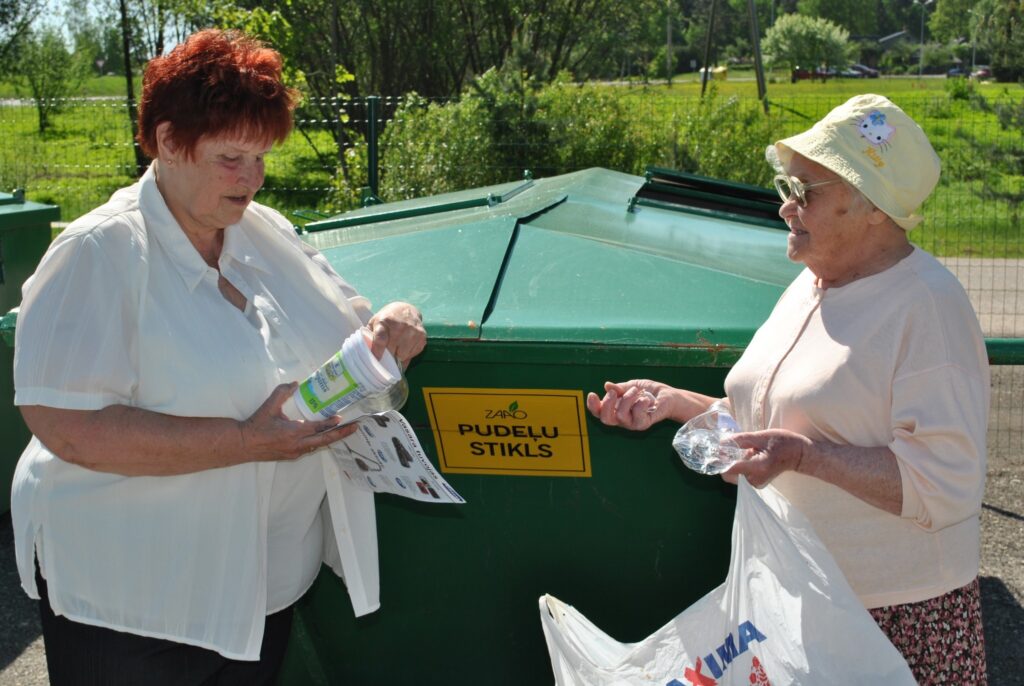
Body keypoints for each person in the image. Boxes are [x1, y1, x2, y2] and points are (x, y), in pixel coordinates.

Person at [11, 29, 426, 685]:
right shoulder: (101, 252)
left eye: (261, 159)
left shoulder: (263, 231)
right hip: (135, 601)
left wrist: (396, 321)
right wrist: (243, 440)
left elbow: (348, 327)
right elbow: (64, 424)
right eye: (231, 158)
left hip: (259, 586)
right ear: (170, 141)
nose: (252, 179)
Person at [587, 94, 989, 683]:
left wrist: (805, 458)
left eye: (805, 192)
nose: (784, 209)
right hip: (799, 601)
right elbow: (776, 425)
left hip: (893, 623)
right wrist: (676, 405)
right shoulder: (810, 286)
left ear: (873, 206)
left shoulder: (927, 306)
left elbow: (946, 483)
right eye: (786, 188)